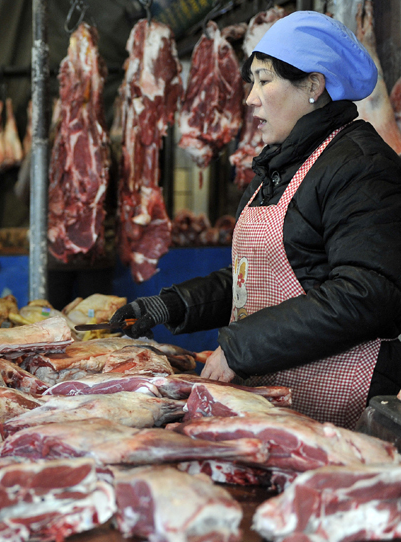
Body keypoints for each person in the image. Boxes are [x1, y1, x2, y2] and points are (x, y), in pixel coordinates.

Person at [111, 11, 401, 429]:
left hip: (342, 409)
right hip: (283, 406)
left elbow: (367, 293)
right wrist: (171, 305)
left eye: (264, 80)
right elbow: (254, 279)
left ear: (314, 86)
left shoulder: (360, 165)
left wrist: (242, 346)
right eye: (253, 82)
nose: (250, 97)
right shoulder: (283, 164)